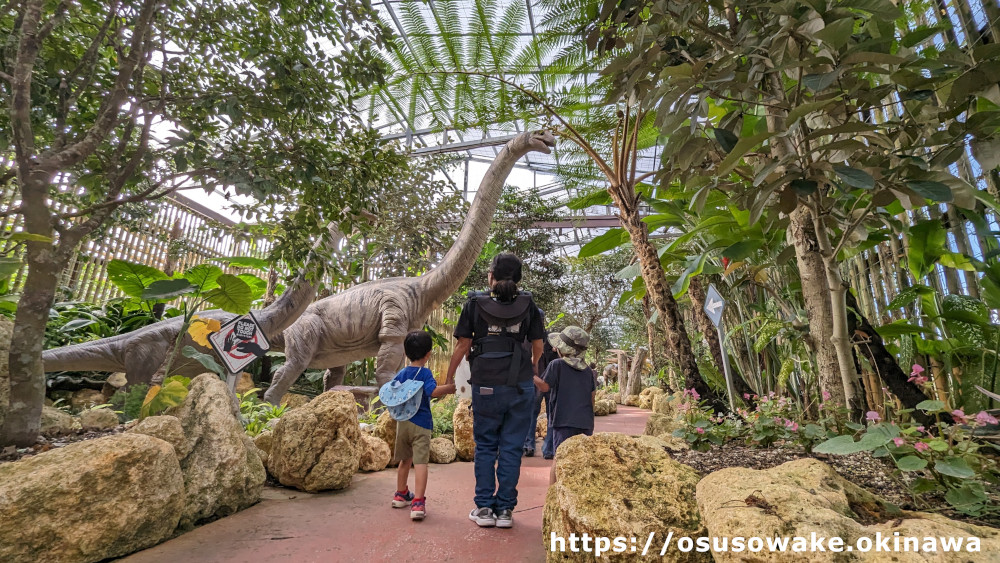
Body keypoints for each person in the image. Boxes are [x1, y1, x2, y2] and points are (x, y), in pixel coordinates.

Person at [445, 253, 544, 529]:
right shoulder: (529, 305)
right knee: (511, 448)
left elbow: (463, 345)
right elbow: (538, 345)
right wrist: (534, 369)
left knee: (486, 446)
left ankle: (485, 508)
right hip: (519, 385)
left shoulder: (475, 304)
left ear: (491, 276)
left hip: (486, 385)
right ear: (519, 279)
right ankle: (505, 512)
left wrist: (450, 377)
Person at [390, 331, 455, 521]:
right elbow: (432, 391)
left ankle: (400, 494)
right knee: (420, 463)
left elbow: (393, 391)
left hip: (403, 423)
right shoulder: (425, 373)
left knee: (404, 460)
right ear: (428, 354)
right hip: (421, 424)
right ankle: (418, 502)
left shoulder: (402, 372)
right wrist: (449, 389)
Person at [533, 326, 595, 485]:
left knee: (559, 458)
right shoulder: (588, 371)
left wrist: (529, 374)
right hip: (585, 423)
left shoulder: (557, 365)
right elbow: (592, 398)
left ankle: (553, 495)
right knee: (580, 459)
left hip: (562, 422)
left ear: (564, 350)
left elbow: (545, 387)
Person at [523, 327, 558, 458]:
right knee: (551, 415)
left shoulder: (526, 338)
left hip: (535, 381)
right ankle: (548, 449)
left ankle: (529, 445)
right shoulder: (552, 338)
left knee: (531, 414)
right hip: (550, 382)